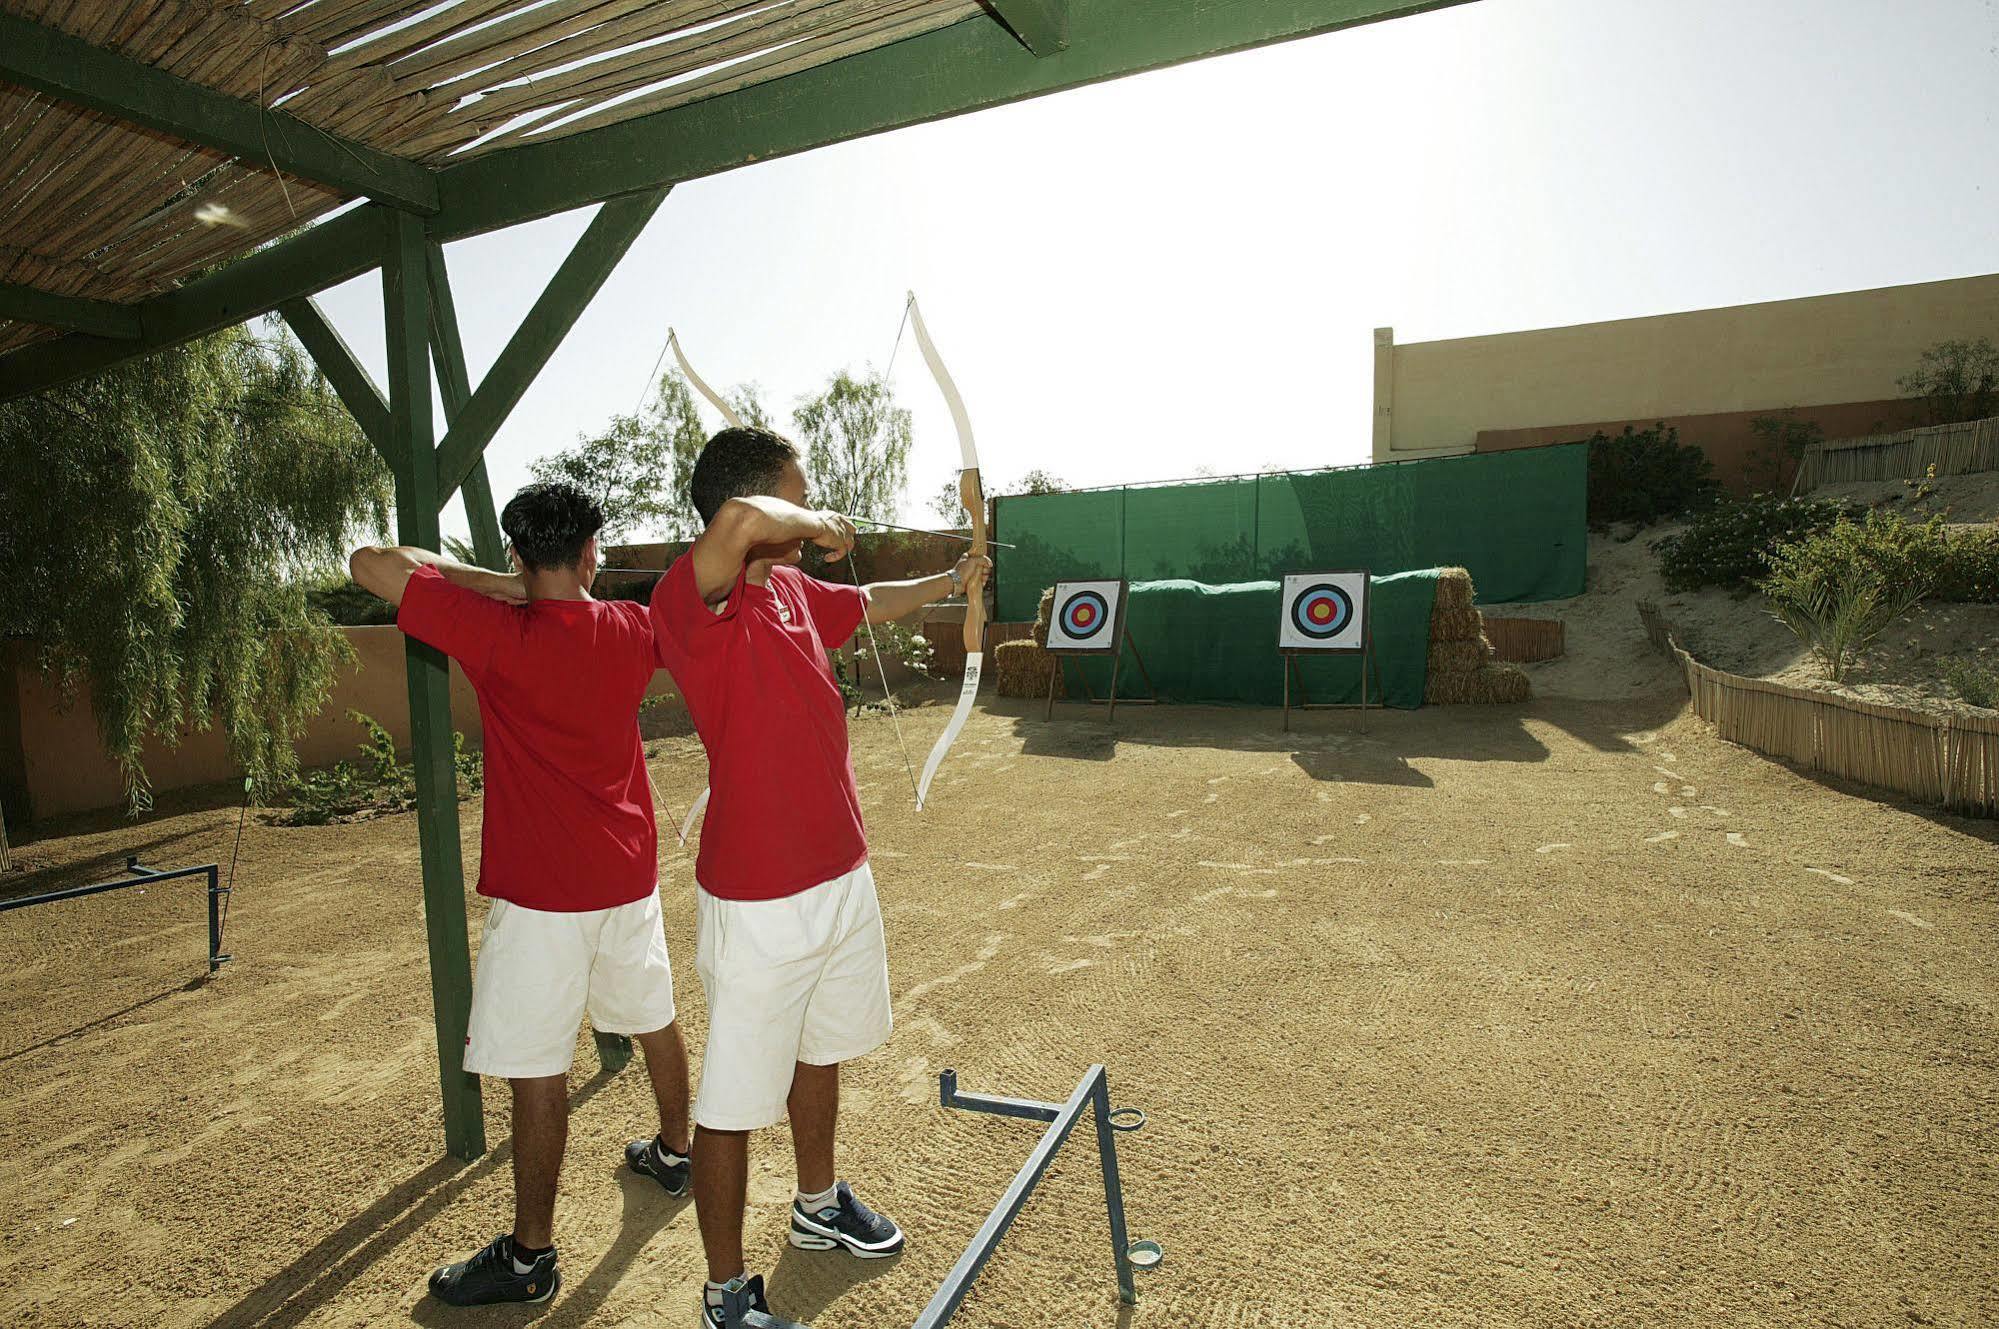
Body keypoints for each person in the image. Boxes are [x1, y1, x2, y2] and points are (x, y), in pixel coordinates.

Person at [649, 426, 991, 1328]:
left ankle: (816, 1203)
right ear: (766, 505)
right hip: (759, 897)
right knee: (731, 1100)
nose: (805, 520)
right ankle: (727, 1292)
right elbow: (733, 521)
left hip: (840, 874)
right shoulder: (690, 603)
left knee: (818, 1045)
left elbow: (872, 599)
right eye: (793, 498)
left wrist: (951, 581)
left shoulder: (797, 591)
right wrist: (813, 517)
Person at [349, 481, 694, 1308]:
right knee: (652, 1012)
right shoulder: (630, 627)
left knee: (537, 1071)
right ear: (590, 554)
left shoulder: (495, 626)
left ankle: (531, 1257)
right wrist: (548, 586)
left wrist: (507, 585)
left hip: (545, 896)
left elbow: (370, 562)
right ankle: (676, 1152)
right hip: (625, 873)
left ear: (516, 555)